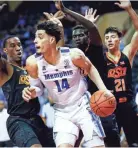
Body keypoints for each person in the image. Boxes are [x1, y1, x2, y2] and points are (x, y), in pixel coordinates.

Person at [22, 19, 115, 147]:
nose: (35, 41)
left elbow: (91, 68)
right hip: (61, 111)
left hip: (83, 105)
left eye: (40, 37)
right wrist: (32, 92)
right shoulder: (32, 63)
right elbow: (37, 88)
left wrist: (103, 90)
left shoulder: (73, 55)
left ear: (51, 40)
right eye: (35, 37)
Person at [54, 1, 120, 147]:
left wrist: (66, 10)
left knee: (111, 141)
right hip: (80, 106)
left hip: (100, 100)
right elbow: (57, 46)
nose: (77, 38)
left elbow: (92, 28)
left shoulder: (95, 49)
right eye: (75, 36)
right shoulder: (71, 54)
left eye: (81, 35)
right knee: (74, 142)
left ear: (89, 38)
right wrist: (56, 26)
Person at [103, 0, 138, 146]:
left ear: (119, 39)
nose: (109, 40)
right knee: (112, 145)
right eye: (107, 38)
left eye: (112, 37)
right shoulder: (101, 60)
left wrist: (129, 9)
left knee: (135, 143)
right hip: (111, 107)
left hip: (129, 105)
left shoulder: (127, 53)